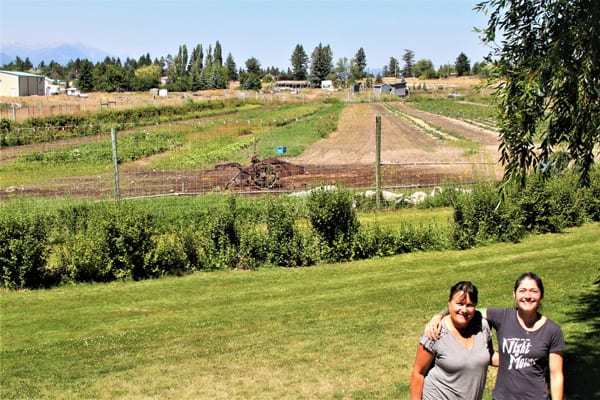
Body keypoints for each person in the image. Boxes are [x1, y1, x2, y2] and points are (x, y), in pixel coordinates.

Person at [425, 272, 565, 400]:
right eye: (522, 291)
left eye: (533, 291)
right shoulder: (502, 317)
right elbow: (467, 310)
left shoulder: (552, 330)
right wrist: (439, 316)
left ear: (541, 295)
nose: (527, 296)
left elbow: (556, 375)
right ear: (514, 294)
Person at [410, 281, 493, 400]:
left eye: (469, 305)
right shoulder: (435, 331)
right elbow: (417, 373)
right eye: (459, 304)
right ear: (449, 304)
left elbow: (489, 356)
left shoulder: (482, 326)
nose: (464, 310)